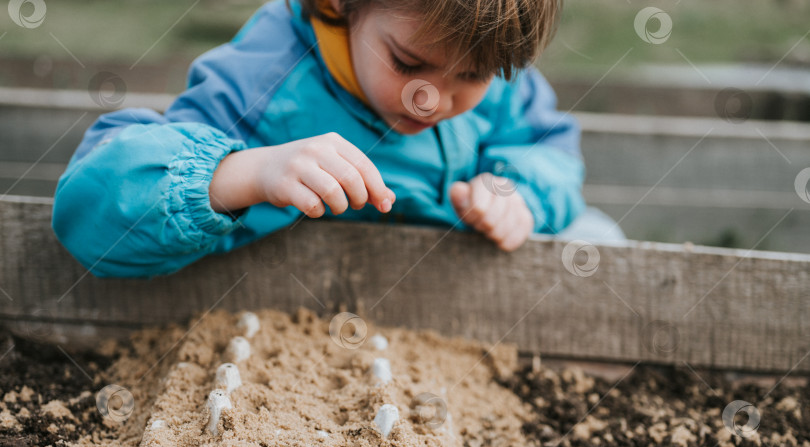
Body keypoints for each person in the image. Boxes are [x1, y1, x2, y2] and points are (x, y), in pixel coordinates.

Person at [52, 0, 624, 279]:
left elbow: (546, 146)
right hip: (298, 308)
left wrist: (514, 191)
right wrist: (244, 173)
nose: (433, 99)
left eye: (470, 79)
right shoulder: (268, 79)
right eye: (407, 64)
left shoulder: (492, 60)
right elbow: (91, 210)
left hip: (446, 302)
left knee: (600, 238)